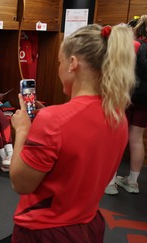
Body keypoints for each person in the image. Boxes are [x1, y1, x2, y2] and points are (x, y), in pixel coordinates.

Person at [9, 24, 135, 242]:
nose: (59, 68)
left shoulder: (54, 120)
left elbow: (20, 183)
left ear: (73, 64)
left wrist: (22, 130)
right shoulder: (118, 116)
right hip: (88, 226)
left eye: (60, 62)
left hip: (45, 231)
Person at [105, 15, 146, 195]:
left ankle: (111, 182)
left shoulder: (133, 45)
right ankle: (132, 181)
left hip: (126, 96)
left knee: (116, 136)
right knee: (136, 139)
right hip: (145, 100)